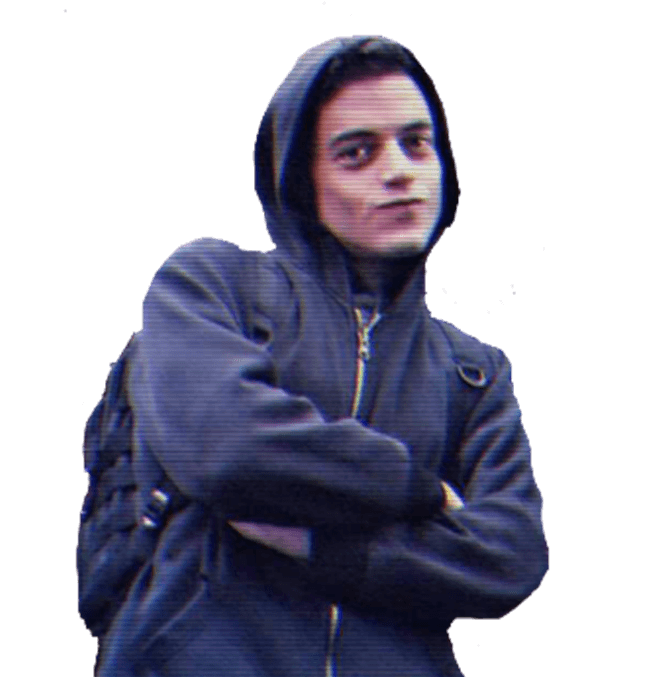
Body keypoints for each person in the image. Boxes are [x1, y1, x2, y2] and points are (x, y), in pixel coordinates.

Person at [96, 35, 548, 677]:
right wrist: (419, 490)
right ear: (301, 180)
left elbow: (512, 555)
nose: (399, 171)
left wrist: (324, 548)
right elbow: (230, 450)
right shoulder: (213, 285)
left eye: (417, 143)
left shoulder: (472, 370)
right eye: (357, 153)